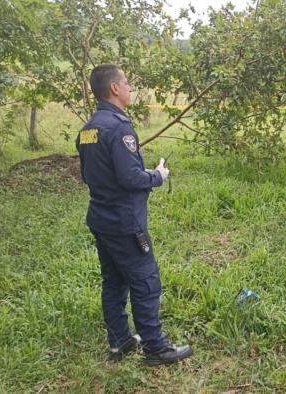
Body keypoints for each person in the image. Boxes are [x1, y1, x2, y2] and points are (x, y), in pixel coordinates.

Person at [76, 64, 193, 365]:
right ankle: (155, 348)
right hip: (125, 223)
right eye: (126, 83)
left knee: (113, 281)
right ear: (114, 88)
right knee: (145, 281)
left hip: (101, 219)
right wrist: (158, 175)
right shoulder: (119, 128)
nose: (130, 88)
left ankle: (120, 342)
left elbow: (87, 175)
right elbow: (130, 178)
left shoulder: (88, 130)